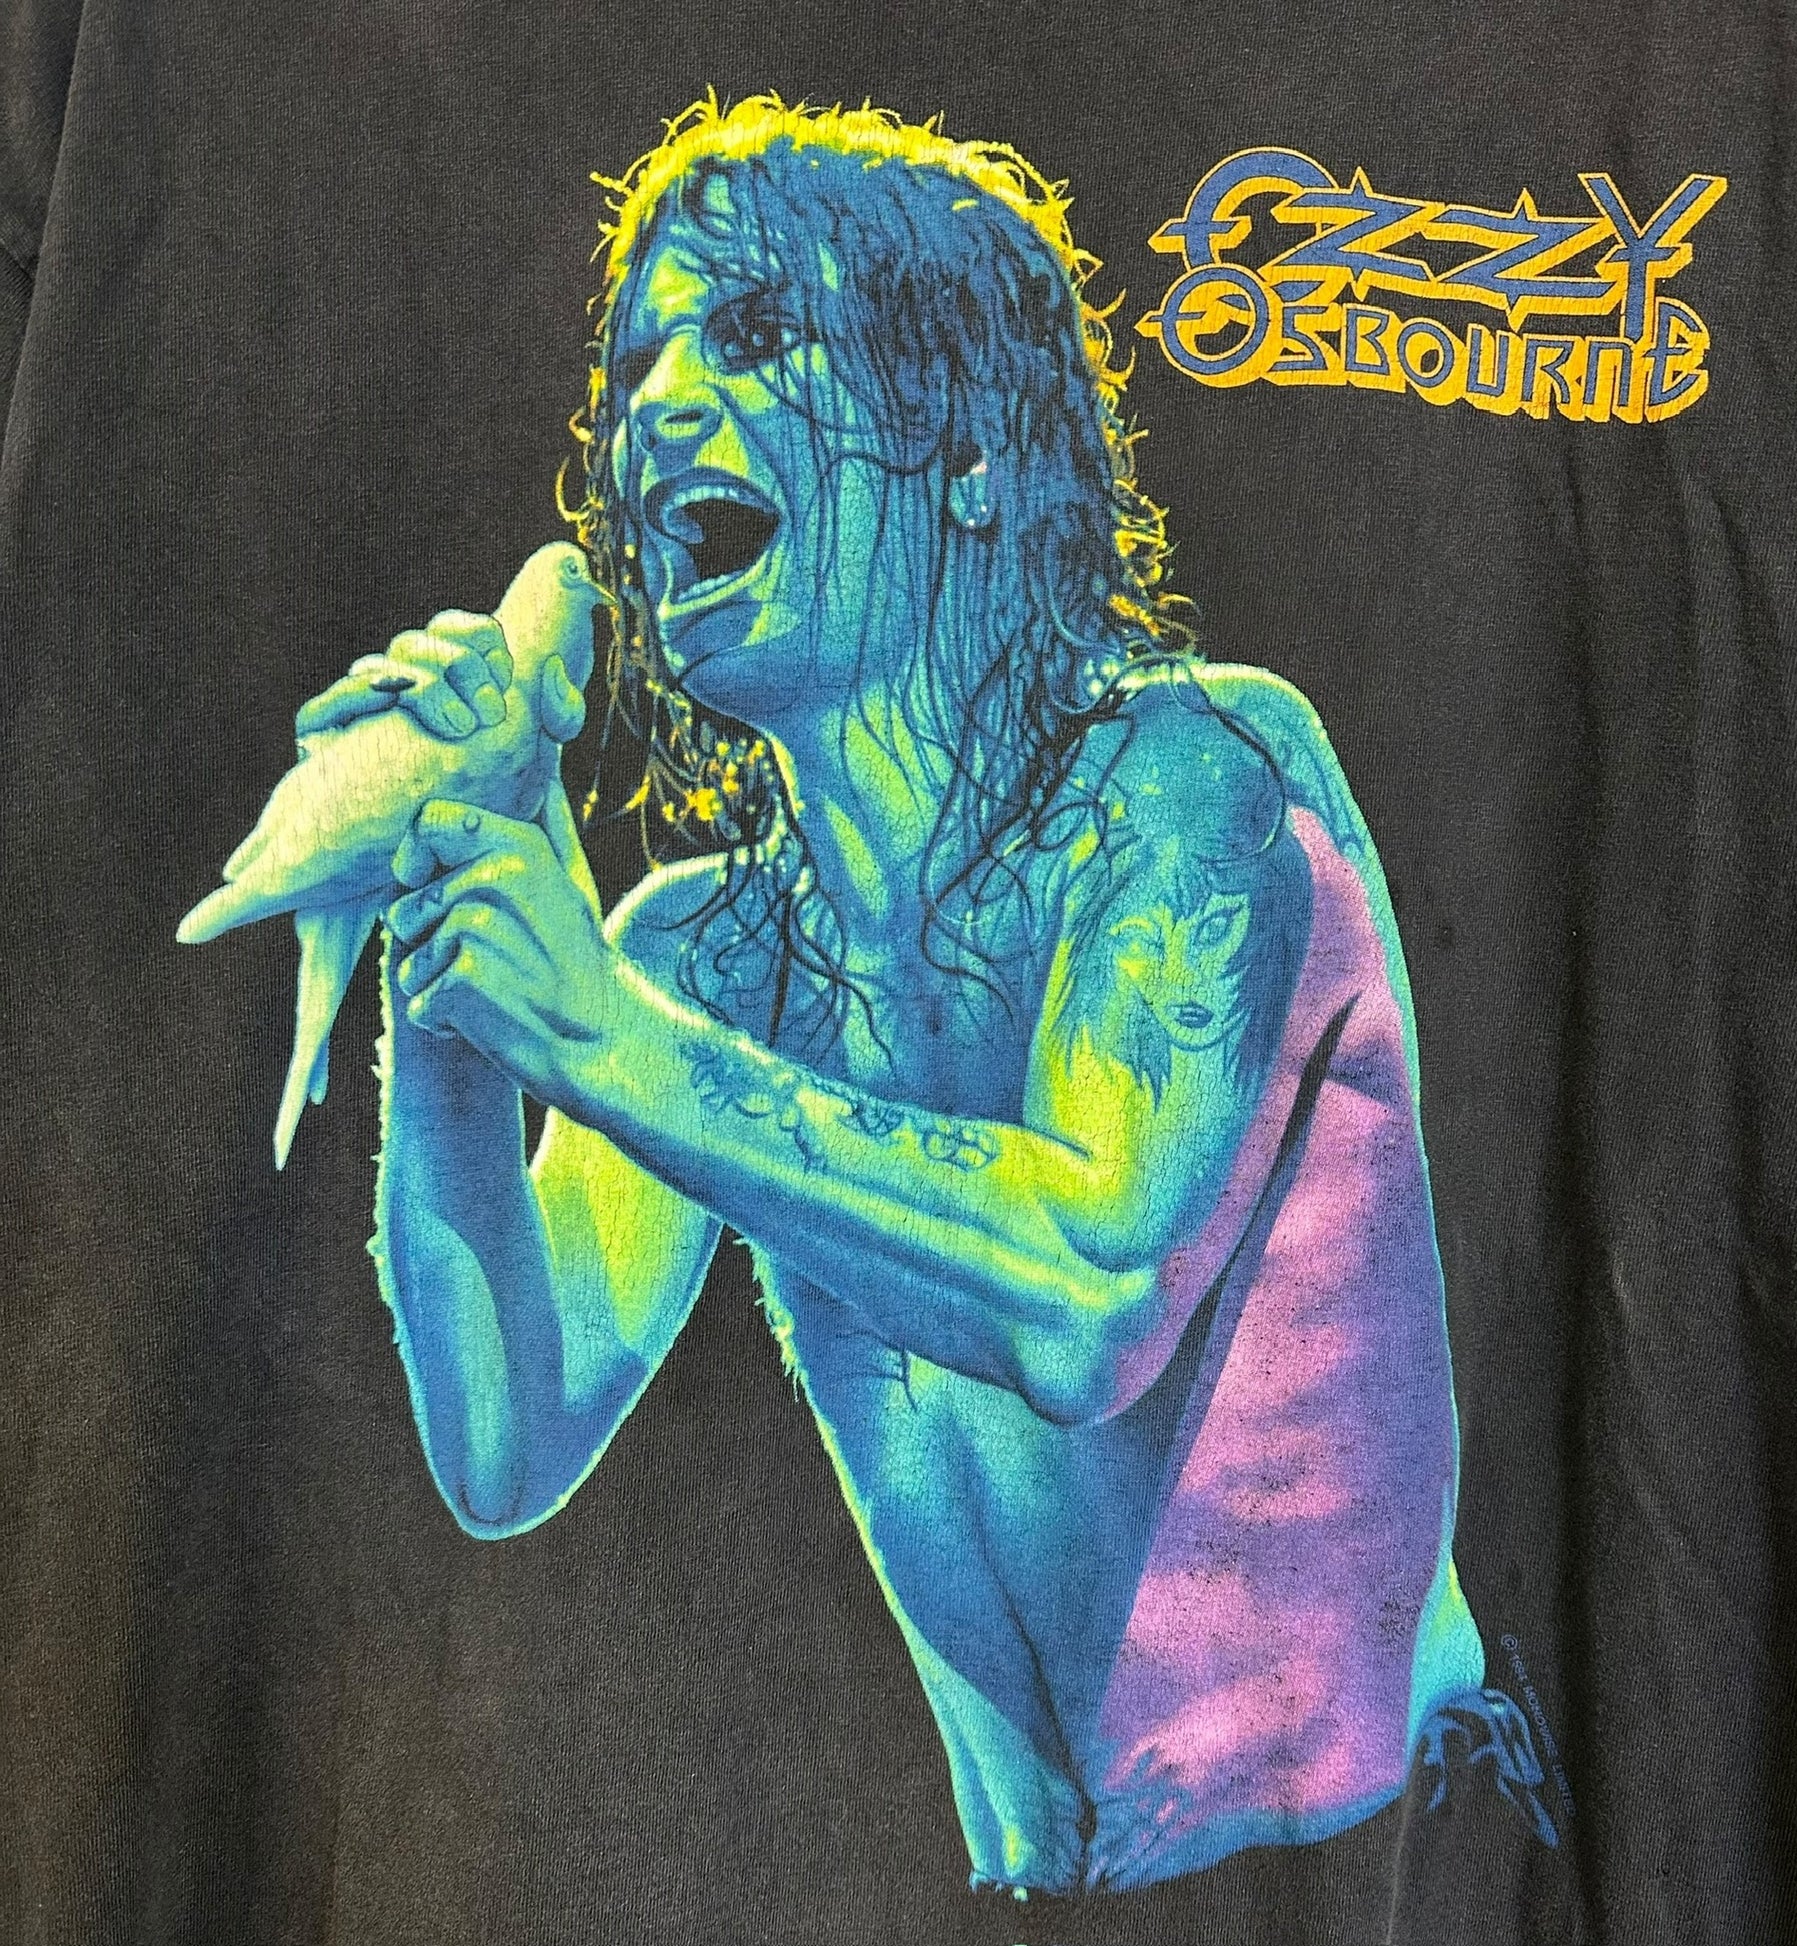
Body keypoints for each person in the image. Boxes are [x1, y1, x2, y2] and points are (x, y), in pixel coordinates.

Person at [302, 95, 1522, 1896]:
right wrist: (453, 962)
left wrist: (600, 1038)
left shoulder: (1192, 782)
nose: (658, 405)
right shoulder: (701, 957)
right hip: (1037, 1903)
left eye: (755, 335)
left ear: (965, 444)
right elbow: (503, 1434)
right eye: (637, 363)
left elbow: (1088, 1298)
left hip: (1390, 1870)